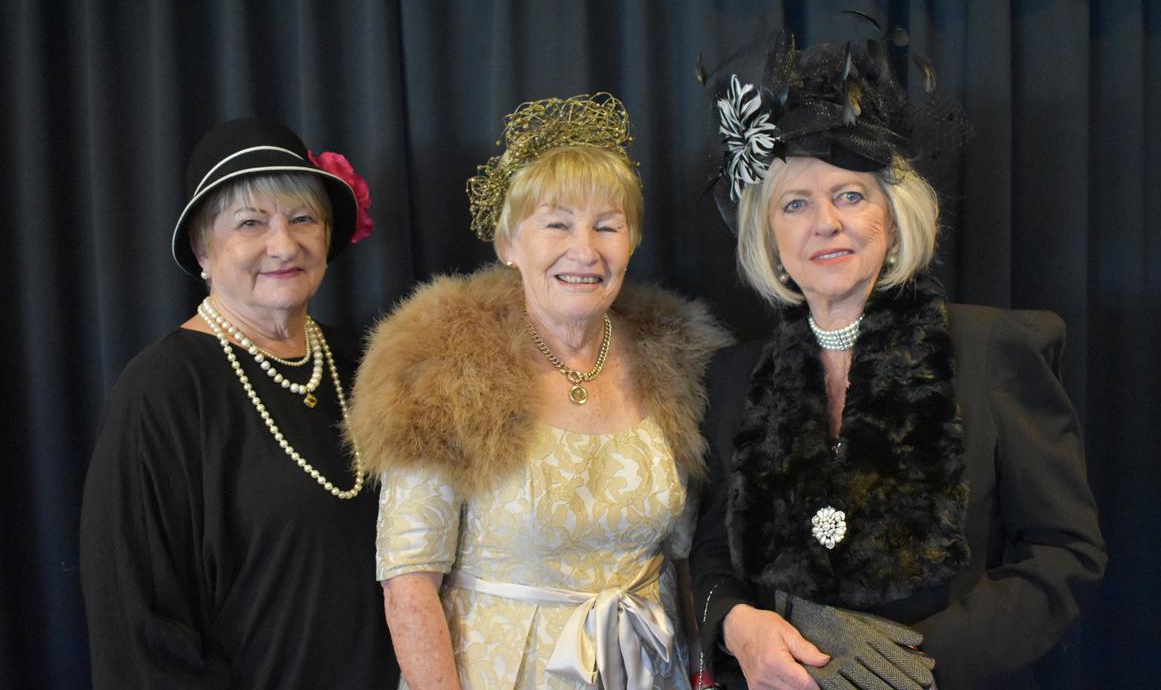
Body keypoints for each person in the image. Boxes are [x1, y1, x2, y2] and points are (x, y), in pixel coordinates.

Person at [690, 31, 1107, 690]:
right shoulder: (733, 376)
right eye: (795, 204)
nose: (824, 222)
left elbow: (1064, 554)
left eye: (850, 195)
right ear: (769, 238)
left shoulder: (992, 351)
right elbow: (713, 551)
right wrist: (738, 625)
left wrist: (913, 666)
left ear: (893, 214)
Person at [347, 92, 729, 690]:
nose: (585, 250)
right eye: (556, 224)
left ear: (630, 241)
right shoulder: (443, 367)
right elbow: (409, 584)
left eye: (607, 225)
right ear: (508, 244)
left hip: (653, 670)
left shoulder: (674, 364)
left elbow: (682, 559)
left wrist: (702, 669)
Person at [80, 118, 397, 689]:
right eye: (250, 223)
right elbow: (138, 630)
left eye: (303, 218)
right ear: (203, 247)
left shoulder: (366, 363)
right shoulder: (163, 391)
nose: (284, 244)